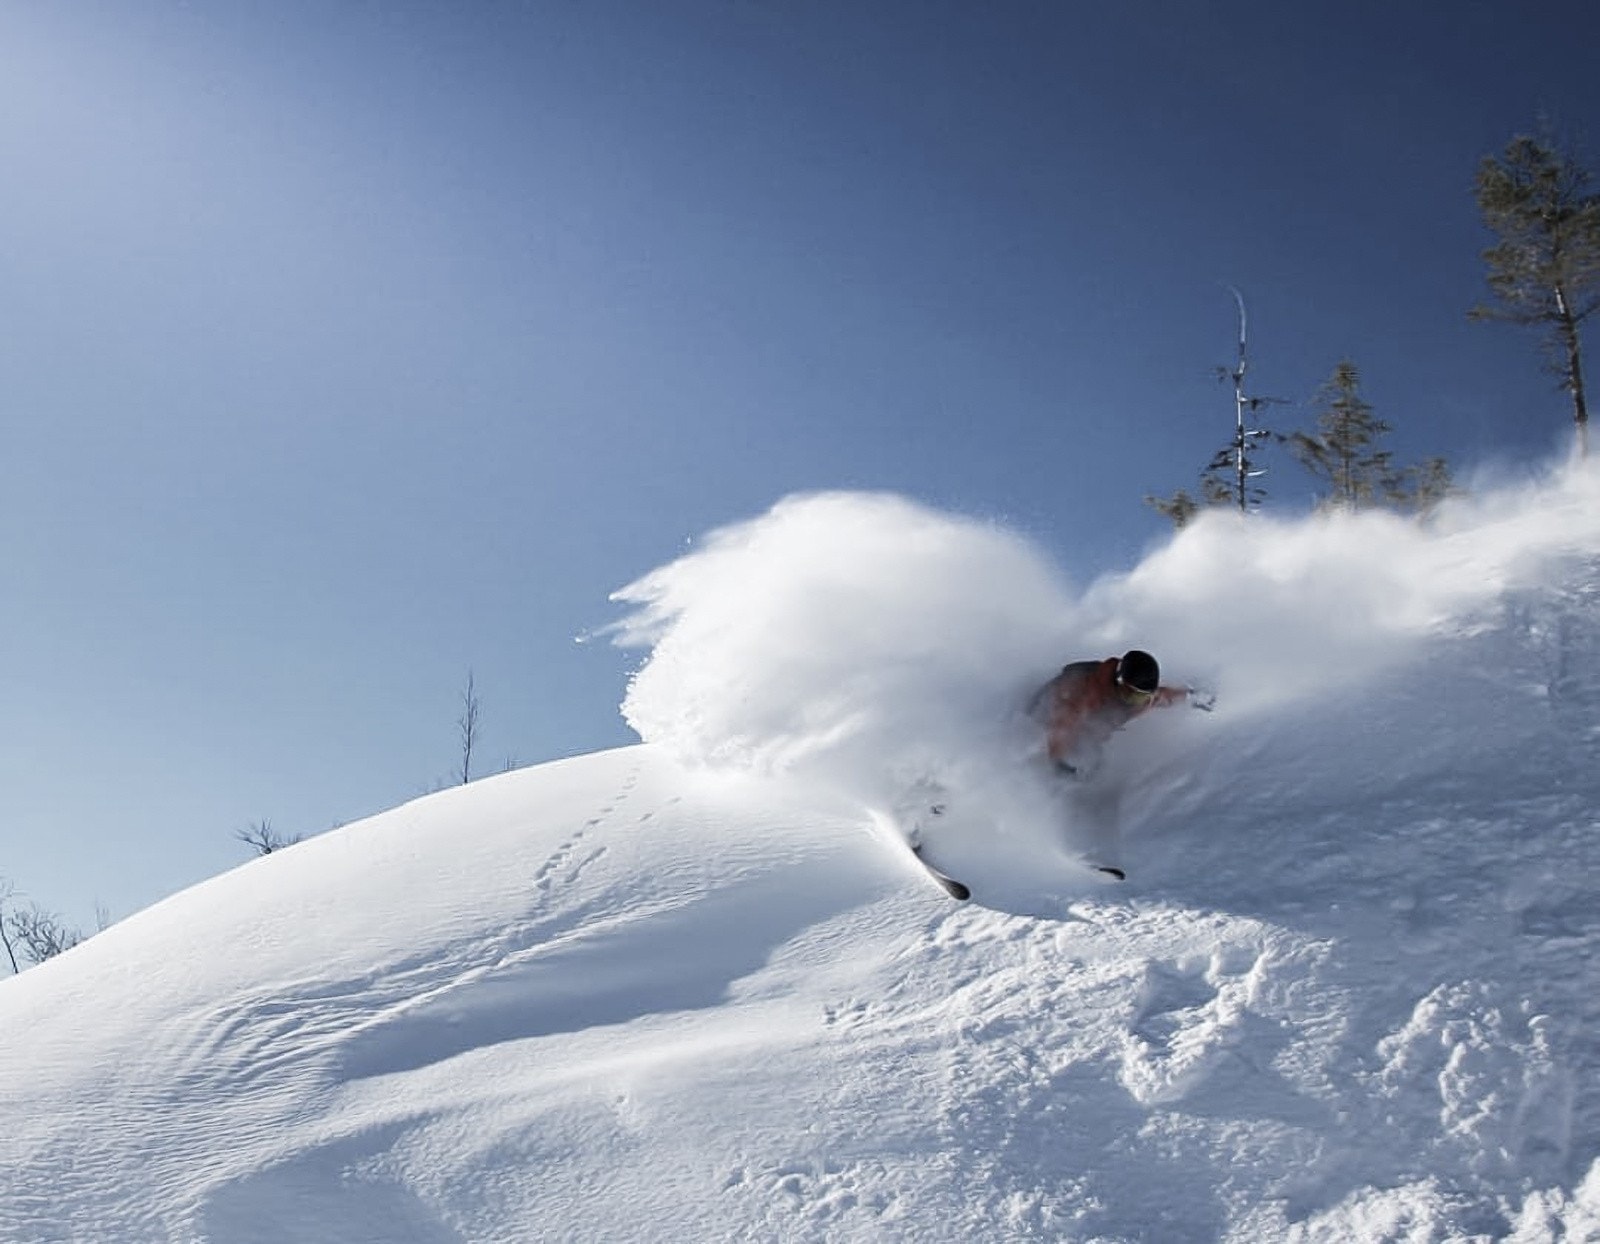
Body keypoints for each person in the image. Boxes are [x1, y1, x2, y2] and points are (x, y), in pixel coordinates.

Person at [1029, 649, 1210, 779]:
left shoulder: (1140, 698)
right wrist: (1057, 761)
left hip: (1086, 727)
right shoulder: (1089, 692)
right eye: (1131, 693)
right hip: (1045, 713)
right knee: (1064, 758)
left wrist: (1191, 696)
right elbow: (1063, 723)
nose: (1136, 701)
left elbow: (1162, 696)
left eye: (1142, 696)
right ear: (1119, 681)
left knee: (1094, 764)